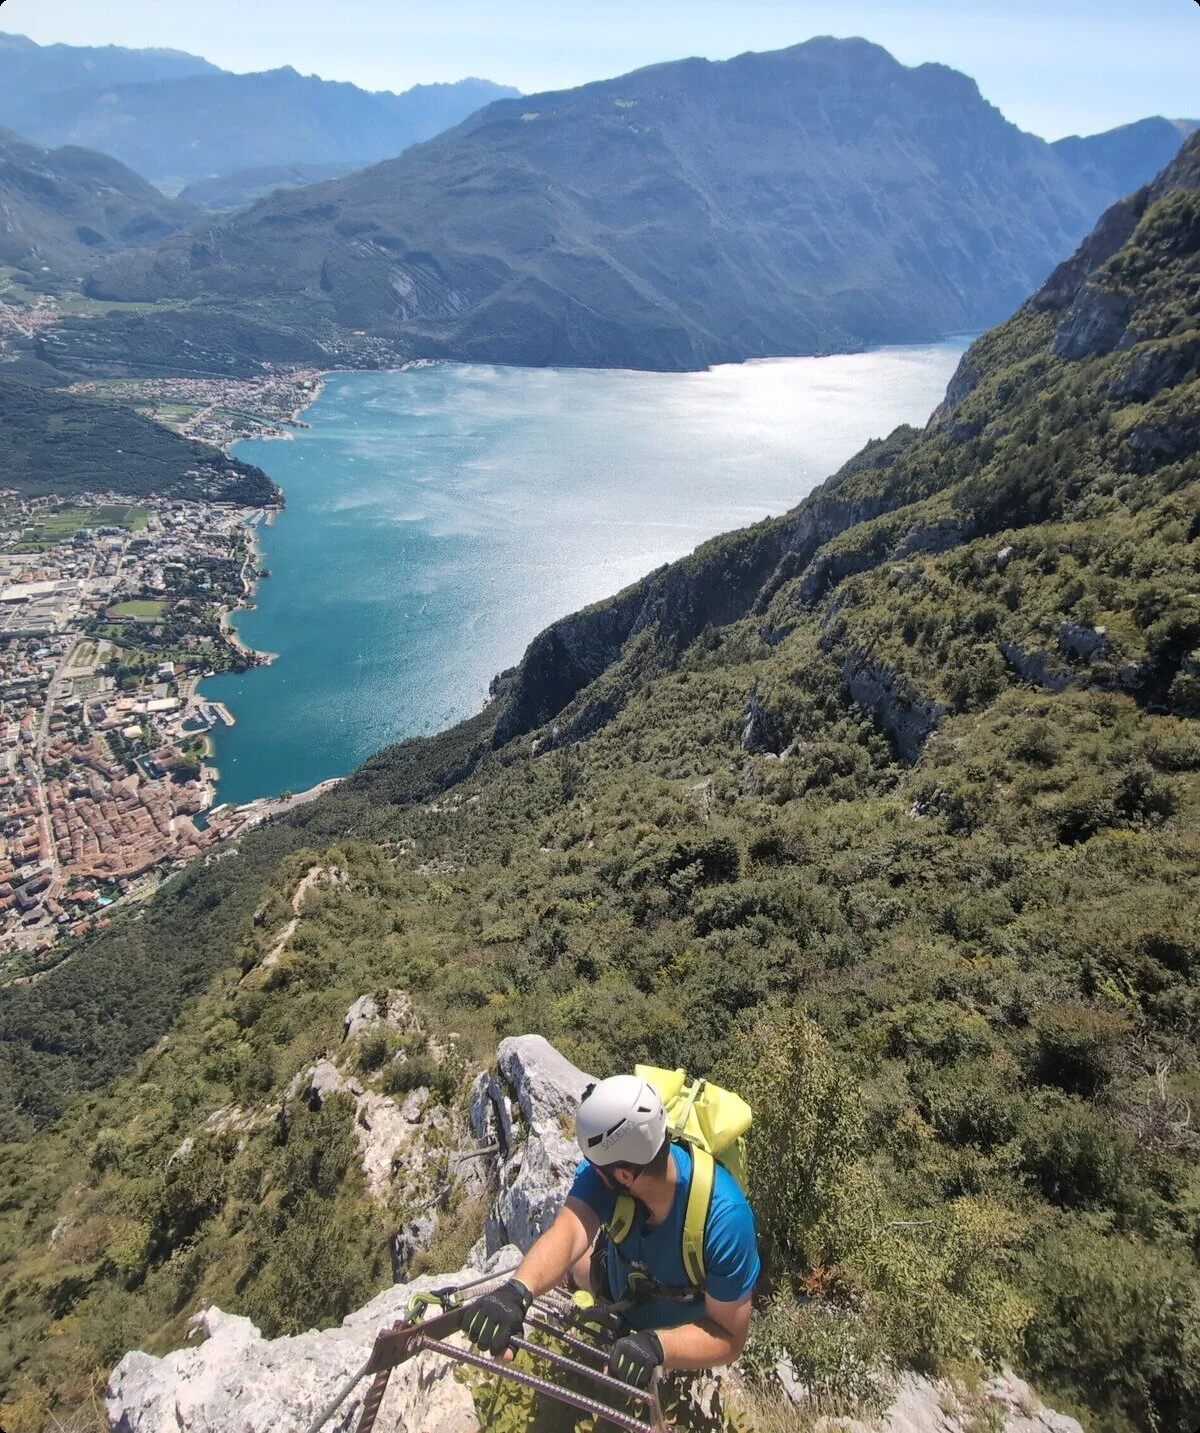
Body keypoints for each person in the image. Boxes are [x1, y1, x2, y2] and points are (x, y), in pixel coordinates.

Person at [464, 1073, 760, 1390]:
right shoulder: (618, 1172)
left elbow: (730, 1336)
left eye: (595, 1166)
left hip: (679, 1334)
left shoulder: (725, 1220)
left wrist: (658, 1346)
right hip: (621, 1284)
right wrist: (519, 1291)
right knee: (576, 1263)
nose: (589, 1170)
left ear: (623, 1174)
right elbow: (571, 1229)